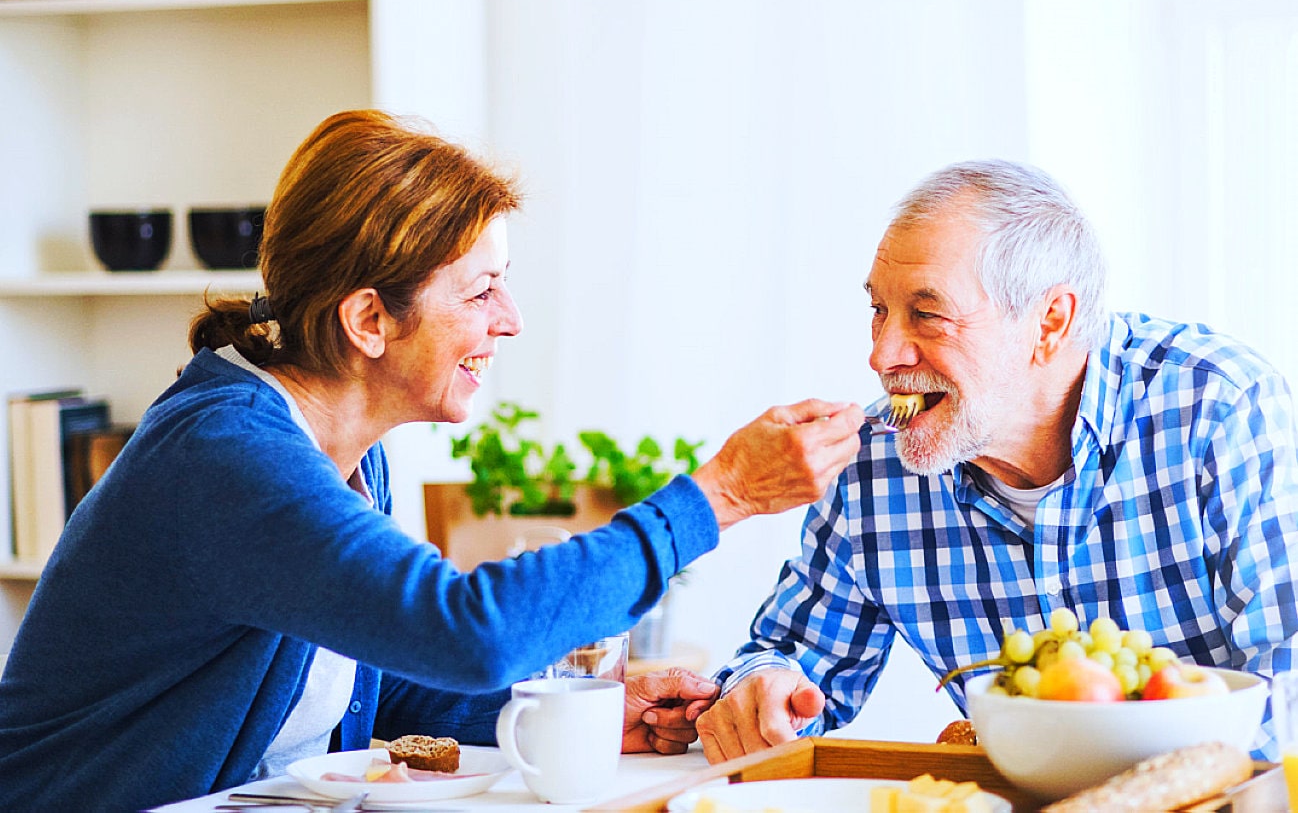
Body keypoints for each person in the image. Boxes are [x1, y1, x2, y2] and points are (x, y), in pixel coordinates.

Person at [0, 109, 865, 811]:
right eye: (481, 289)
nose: (512, 319)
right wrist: (722, 494)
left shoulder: (344, 450)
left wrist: (575, 712)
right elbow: (468, 628)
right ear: (369, 321)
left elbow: (388, 686)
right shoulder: (224, 454)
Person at [693, 159, 1298, 764]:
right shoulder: (874, 463)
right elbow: (790, 661)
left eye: (926, 314)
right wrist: (762, 691)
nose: (880, 355)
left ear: (1049, 322)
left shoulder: (1217, 407)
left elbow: (1288, 696)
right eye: (879, 310)